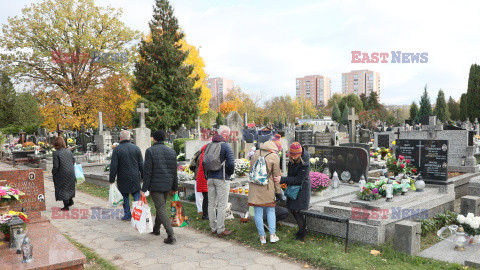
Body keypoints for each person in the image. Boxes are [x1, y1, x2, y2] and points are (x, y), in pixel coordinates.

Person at [141, 130, 178, 244]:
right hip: (167, 184)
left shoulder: (150, 151)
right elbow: (174, 172)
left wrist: (143, 188)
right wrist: (175, 187)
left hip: (155, 185)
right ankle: (156, 229)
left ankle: (171, 235)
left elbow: (148, 171)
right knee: (160, 207)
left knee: (161, 208)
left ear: (154, 139)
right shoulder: (172, 152)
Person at [274, 142, 311, 241]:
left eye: (295, 156)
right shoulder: (292, 159)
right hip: (293, 188)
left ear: (300, 154)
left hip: (301, 190)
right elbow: (291, 175)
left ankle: (302, 234)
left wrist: (282, 179)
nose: (293, 158)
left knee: (298, 211)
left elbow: (298, 180)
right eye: (291, 156)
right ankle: (301, 231)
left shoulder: (305, 163)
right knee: (292, 209)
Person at [248, 141, 281, 244]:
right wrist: (278, 191)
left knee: (258, 212)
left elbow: (251, 170)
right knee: (270, 210)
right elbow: (276, 176)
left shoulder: (256, 153)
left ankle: (262, 237)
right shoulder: (274, 156)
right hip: (267, 187)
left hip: (255, 186)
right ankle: (272, 235)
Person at [204, 126, 235, 236]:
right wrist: (229, 174)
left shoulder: (209, 145)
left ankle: (213, 228)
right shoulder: (226, 146)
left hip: (210, 177)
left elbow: (204, 162)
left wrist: (206, 176)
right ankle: (220, 230)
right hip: (221, 178)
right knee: (222, 204)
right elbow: (231, 163)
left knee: (211, 204)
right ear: (226, 134)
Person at [109, 130, 144, 221]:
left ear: (120, 138)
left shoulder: (117, 149)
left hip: (123, 176)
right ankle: (138, 214)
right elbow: (141, 164)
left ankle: (127, 215)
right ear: (129, 138)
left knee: (125, 196)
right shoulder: (136, 148)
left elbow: (114, 165)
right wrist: (144, 176)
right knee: (136, 194)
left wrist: (111, 179)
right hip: (135, 176)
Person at [52, 137, 76, 211]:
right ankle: (71, 200)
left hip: (62, 173)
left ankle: (66, 206)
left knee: (62, 187)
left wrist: (53, 172)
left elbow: (56, 166)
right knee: (69, 186)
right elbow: (73, 160)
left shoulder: (56, 153)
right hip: (71, 171)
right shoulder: (69, 151)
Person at [189, 144, 209, 220]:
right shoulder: (204, 154)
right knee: (203, 195)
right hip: (202, 175)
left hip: (197, 175)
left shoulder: (199, 152)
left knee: (199, 194)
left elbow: (192, 165)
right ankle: (202, 211)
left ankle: (200, 210)